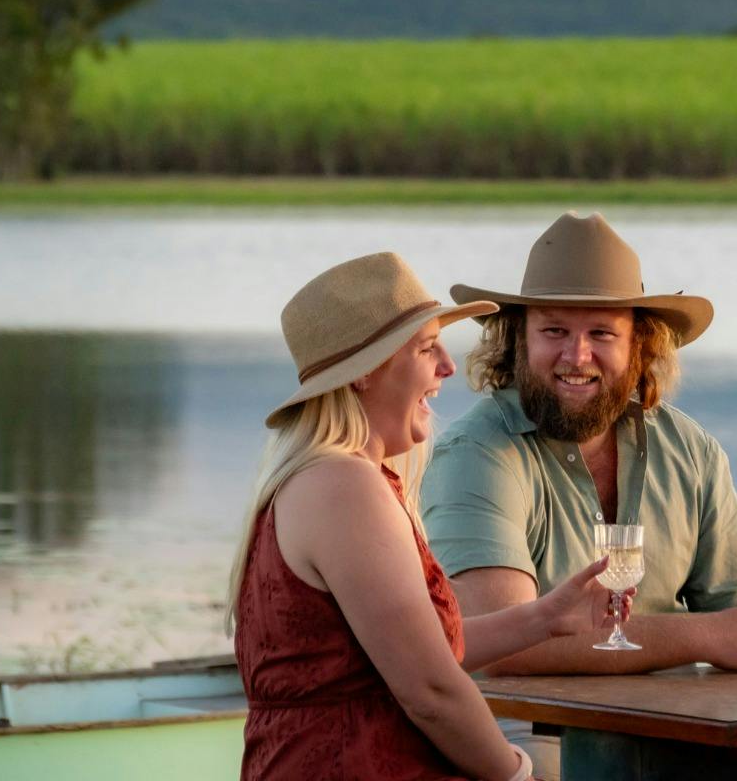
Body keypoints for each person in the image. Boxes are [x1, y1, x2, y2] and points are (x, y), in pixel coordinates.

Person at [228, 252, 625, 781]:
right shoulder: (344, 487)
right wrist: (516, 773)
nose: (448, 366)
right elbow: (431, 691)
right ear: (364, 373)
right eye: (425, 347)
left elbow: (422, 653)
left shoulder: (325, 479)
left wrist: (546, 619)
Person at [422, 212, 737, 677]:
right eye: (554, 331)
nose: (576, 356)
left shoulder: (691, 451)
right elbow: (502, 647)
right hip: (529, 721)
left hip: (682, 717)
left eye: (601, 333)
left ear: (639, 346)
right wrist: (708, 635)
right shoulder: (475, 454)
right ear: (518, 339)